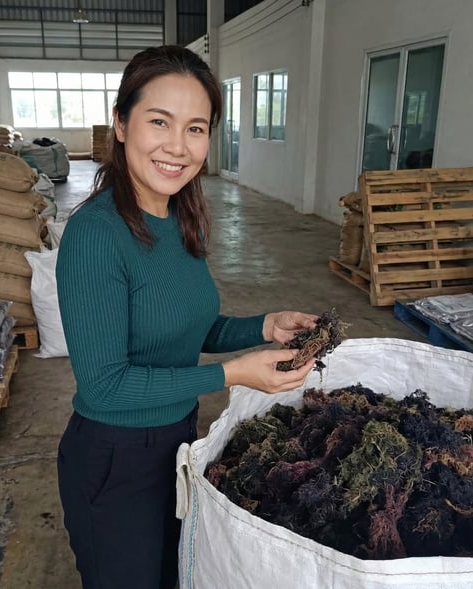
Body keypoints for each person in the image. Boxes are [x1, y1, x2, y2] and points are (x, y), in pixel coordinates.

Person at [55, 45, 318, 589]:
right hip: (114, 459)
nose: (178, 146)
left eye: (196, 128)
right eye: (159, 122)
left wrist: (264, 326)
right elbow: (104, 387)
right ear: (121, 125)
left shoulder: (180, 217)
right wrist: (234, 373)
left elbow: (188, 327)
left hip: (177, 442)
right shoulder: (95, 236)